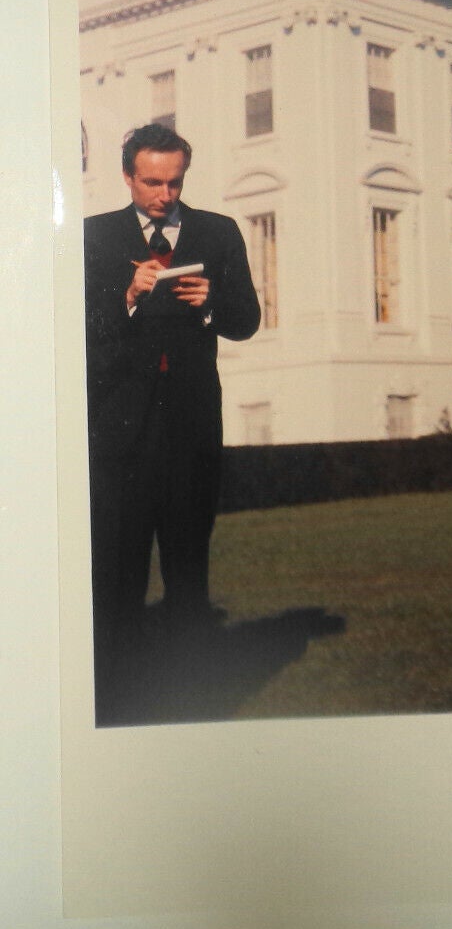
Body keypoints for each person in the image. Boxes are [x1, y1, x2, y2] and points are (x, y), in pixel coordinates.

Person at [84, 123, 260, 718]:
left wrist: (212, 302)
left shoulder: (218, 231)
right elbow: (72, 335)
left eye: (175, 182)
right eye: (152, 182)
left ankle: (195, 700)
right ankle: (118, 703)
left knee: (189, 573)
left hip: (190, 430)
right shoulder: (93, 238)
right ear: (128, 177)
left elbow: (247, 322)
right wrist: (125, 298)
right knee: (116, 577)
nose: (164, 194)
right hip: (119, 435)